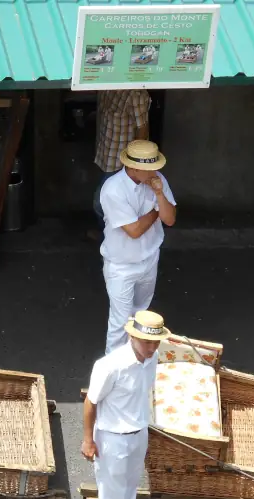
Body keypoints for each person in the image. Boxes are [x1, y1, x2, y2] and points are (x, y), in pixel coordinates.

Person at [82, 309, 169, 499]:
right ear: (132, 337)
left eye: (156, 342)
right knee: (112, 489)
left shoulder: (152, 358)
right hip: (113, 437)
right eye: (147, 342)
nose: (152, 348)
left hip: (138, 431)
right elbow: (90, 402)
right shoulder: (110, 366)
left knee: (131, 480)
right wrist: (88, 440)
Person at [99, 140, 177, 354]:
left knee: (140, 316)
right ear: (132, 168)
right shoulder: (113, 189)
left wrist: (159, 195)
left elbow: (170, 219)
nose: (154, 172)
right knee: (120, 323)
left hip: (150, 258)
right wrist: (156, 210)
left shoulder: (158, 180)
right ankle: (113, 370)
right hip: (121, 265)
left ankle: (135, 362)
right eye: (149, 169)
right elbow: (134, 230)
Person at [90, 89, 151, 241]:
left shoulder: (135, 94)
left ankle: (112, 236)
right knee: (107, 202)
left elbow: (142, 131)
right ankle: (109, 234)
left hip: (122, 163)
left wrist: (135, 164)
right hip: (107, 156)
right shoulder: (106, 85)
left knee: (100, 203)